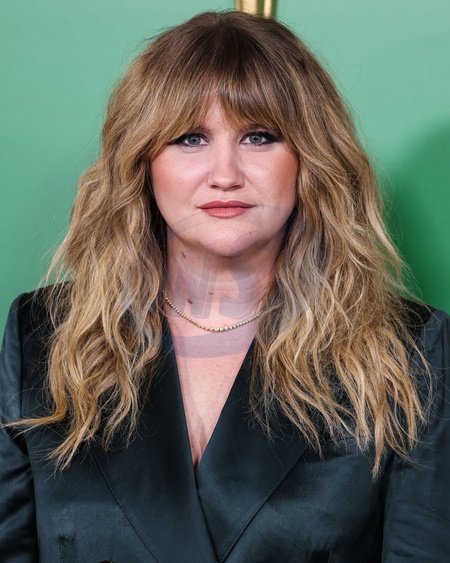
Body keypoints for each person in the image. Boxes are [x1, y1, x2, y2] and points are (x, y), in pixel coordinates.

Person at [1, 10, 449, 562]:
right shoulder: (42, 337)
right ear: (141, 161)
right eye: (190, 138)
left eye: (259, 137)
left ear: (309, 159)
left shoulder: (409, 352)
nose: (225, 174)